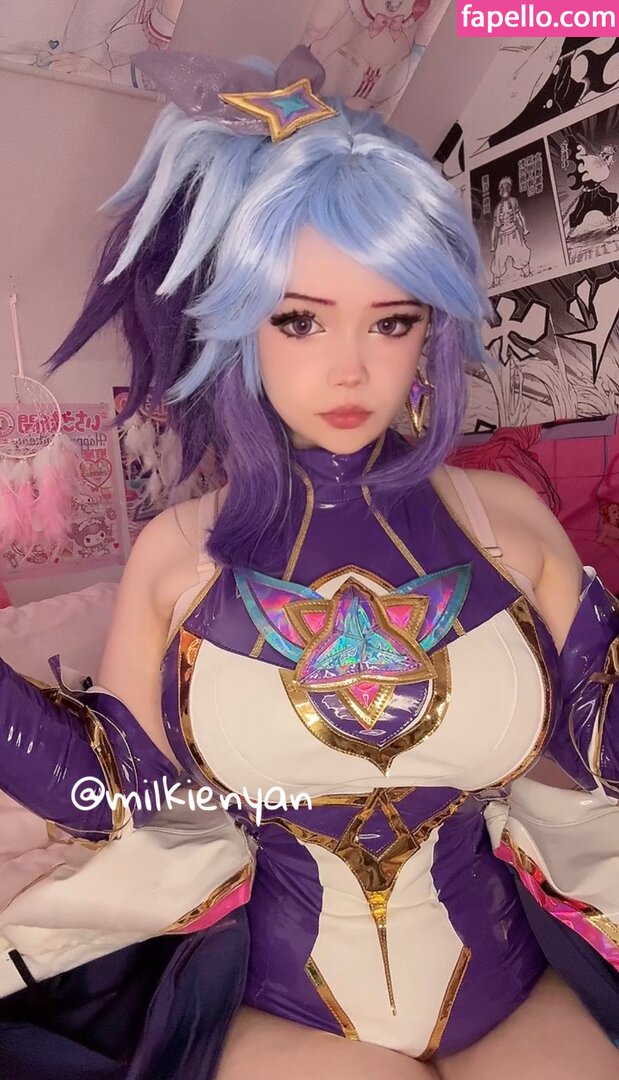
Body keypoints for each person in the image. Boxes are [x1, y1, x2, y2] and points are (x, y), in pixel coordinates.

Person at [1, 45, 618, 1080]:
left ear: (429, 332)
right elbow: (116, 794)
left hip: (516, 984)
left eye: (392, 320)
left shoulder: (508, 522)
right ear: (240, 327)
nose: (349, 368)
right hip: (285, 1010)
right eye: (299, 319)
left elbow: (605, 747)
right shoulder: (175, 554)